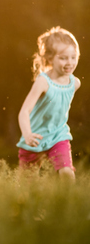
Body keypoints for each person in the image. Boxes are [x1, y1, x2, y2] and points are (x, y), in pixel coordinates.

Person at [17, 27, 80, 179]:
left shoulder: (75, 83)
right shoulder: (43, 82)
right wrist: (27, 134)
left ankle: (68, 202)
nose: (69, 62)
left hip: (58, 135)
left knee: (67, 174)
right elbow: (24, 111)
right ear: (50, 58)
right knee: (26, 185)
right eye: (63, 58)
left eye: (73, 57)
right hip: (34, 138)